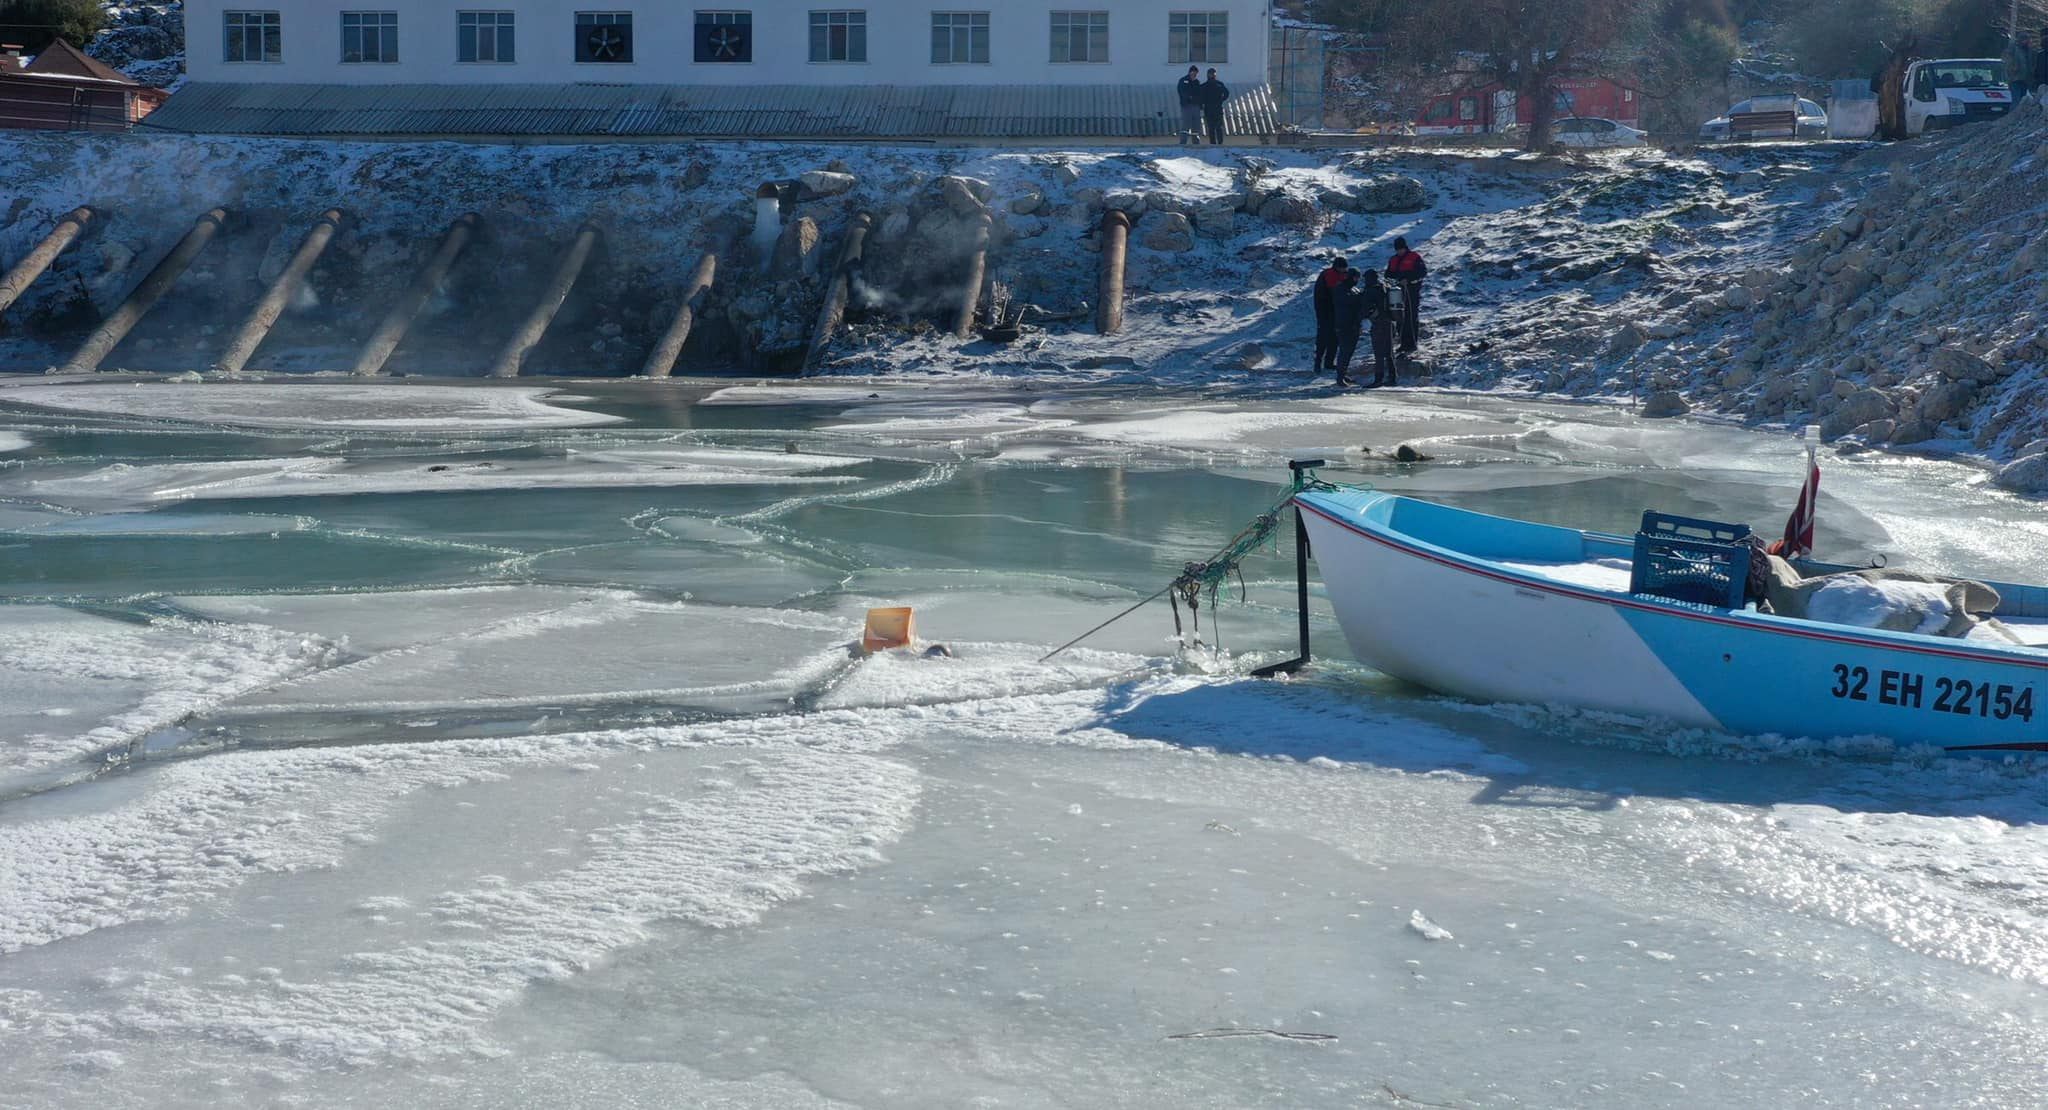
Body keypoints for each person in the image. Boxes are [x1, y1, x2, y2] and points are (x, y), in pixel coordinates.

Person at [1384, 236, 1427, 353]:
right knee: (1399, 317)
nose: (1399, 251)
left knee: (1411, 317)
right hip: (1397, 292)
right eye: (1397, 249)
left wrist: (1408, 279)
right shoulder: (1393, 259)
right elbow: (1388, 274)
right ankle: (1403, 343)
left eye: (1401, 249)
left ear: (1405, 247)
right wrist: (1393, 280)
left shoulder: (1414, 257)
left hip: (1412, 291)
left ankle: (1412, 344)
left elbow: (1422, 272)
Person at [1311, 256, 1348, 374]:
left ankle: (1329, 362)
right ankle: (1318, 363)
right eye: (1343, 268)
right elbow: (1335, 291)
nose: (1344, 270)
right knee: (1323, 337)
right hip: (1324, 311)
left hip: (1334, 310)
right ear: (1337, 267)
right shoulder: (1329, 274)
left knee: (1335, 337)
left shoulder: (1339, 274)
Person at [1360, 270, 1396, 386]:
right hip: (1389, 322)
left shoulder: (1370, 291)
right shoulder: (1385, 288)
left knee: (1378, 353)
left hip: (1377, 323)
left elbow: (1366, 309)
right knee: (1389, 352)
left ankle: (1378, 379)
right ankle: (1392, 377)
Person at [1331, 271, 1366, 387]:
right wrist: (1359, 297)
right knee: (1344, 351)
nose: (1357, 280)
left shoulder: (1354, 289)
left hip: (1354, 324)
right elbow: (1346, 302)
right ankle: (1340, 377)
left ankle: (1344, 374)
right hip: (1343, 324)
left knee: (1349, 351)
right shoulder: (1340, 288)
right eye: (1355, 277)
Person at [1201, 68, 1231, 145]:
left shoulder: (1219, 84)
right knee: (1211, 128)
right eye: (1210, 74)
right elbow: (1200, 97)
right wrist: (1202, 104)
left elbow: (1226, 93)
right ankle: (1213, 144)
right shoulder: (1204, 85)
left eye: (1213, 74)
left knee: (1218, 127)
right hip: (1208, 109)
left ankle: (1220, 143)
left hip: (1217, 108)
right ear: (1208, 75)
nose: (1212, 75)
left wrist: (1221, 100)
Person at [1176, 66, 1204, 146]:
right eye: (1193, 73)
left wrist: (1200, 104)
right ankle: (1183, 142)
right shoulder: (1183, 81)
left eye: (1196, 73)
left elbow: (1199, 93)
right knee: (1186, 124)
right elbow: (1182, 92)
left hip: (1196, 105)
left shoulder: (1197, 82)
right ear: (1190, 72)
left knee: (1196, 124)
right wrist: (1189, 97)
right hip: (1186, 105)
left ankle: (1196, 142)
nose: (1195, 75)